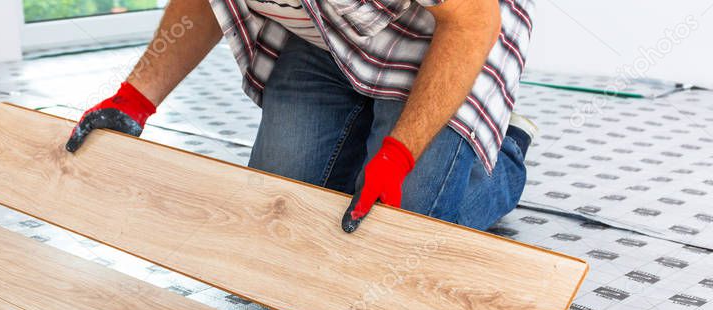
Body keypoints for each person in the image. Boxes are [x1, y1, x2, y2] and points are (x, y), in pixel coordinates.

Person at [67, 0, 537, 231]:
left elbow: (472, 20)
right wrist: (134, 99)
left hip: (449, 32)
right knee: (276, 222)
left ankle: (504, 155)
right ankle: (374, 135)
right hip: (326, 32)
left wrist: (398, 155)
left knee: (395, 230)